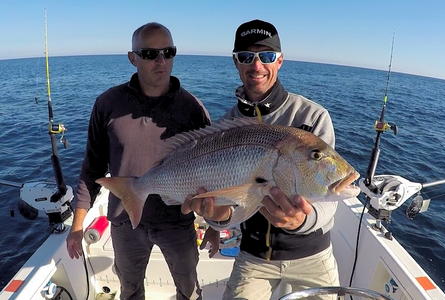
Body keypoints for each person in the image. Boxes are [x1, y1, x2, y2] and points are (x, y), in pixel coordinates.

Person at [182, 19, 338, 300]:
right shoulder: (226, 127)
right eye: (246, 57)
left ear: (280, 61)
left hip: (312, 256)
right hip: (253, 257)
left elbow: (328, 193)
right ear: (236, 63)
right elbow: (228, 209)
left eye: (266, 56)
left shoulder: (312, 117)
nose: (256, 65)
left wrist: (301, 220)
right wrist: (218, 219)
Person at [66, 22, 210, 300]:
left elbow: (210, 171)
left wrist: (214, 228)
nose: (161, 60)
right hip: (123, 221)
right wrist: (77, 226)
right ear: (132, 58)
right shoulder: (108, 104)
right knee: (130, 291)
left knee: (190, 290)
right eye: (149, 54)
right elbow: (92, 167)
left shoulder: (192, 108)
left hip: (177, 221)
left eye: (168, 52)